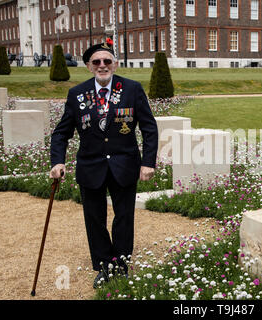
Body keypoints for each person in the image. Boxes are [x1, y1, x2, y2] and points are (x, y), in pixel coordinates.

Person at [49, 38, 158, 287]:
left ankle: (120, 265)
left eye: (107, 61)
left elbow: (149, 128)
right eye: (96, 61)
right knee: (94, 220)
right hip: (91, 167)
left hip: (125, 165)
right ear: (89, 66)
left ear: (115, 64)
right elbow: (61, 132)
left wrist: (148, 162)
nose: (102, 65)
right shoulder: (77, 94)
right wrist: (58, 161)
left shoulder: (132, 89)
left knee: (123, 218)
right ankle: (104, 265)